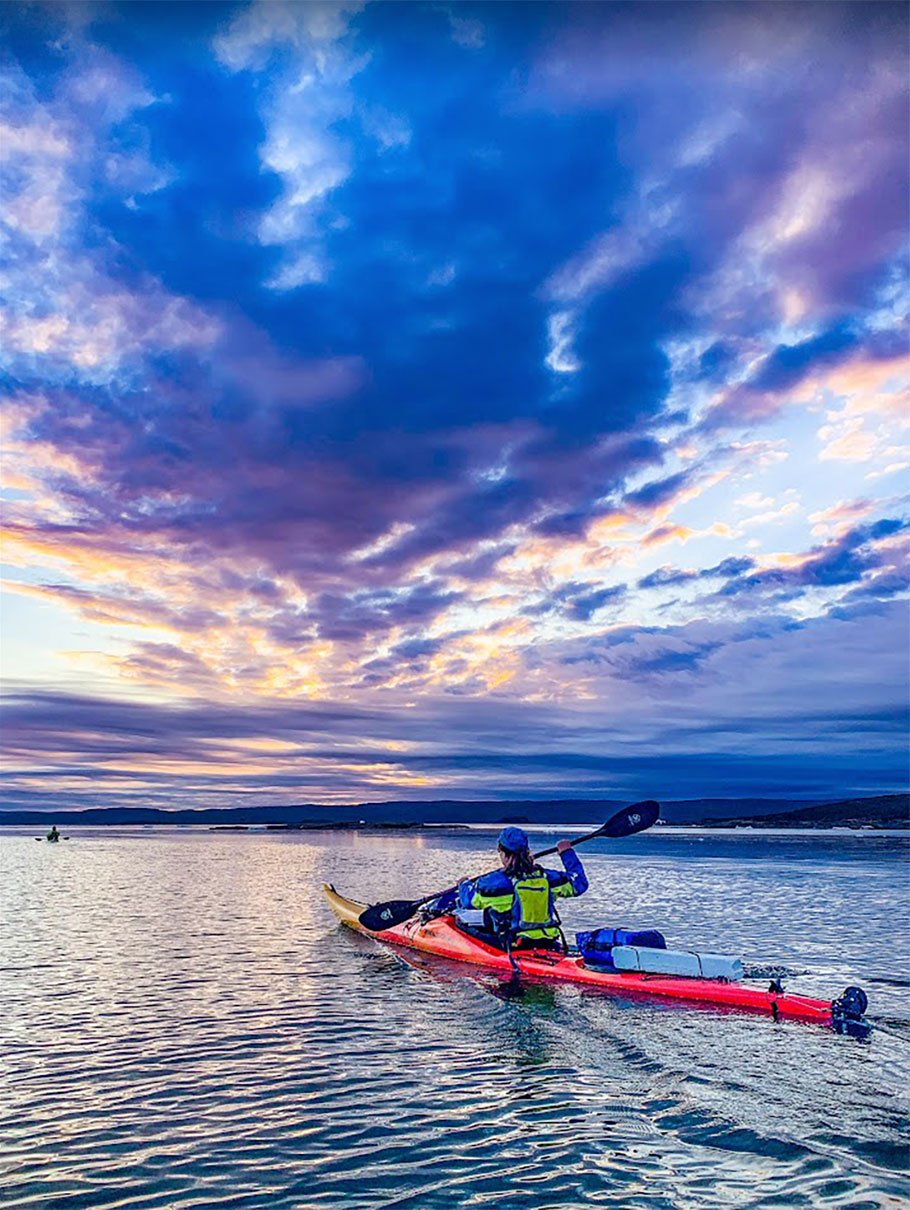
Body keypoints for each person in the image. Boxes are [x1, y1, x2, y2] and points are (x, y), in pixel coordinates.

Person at [455, 826, 588, 950]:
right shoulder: (547, 878)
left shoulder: (494, 883)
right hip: (547, 940)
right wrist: (567, 853)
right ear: (527, 851)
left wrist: (463, 884)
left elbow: (468, 901)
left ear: (503, 852)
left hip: (513, 944)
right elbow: (580, 883)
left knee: (459, 920)